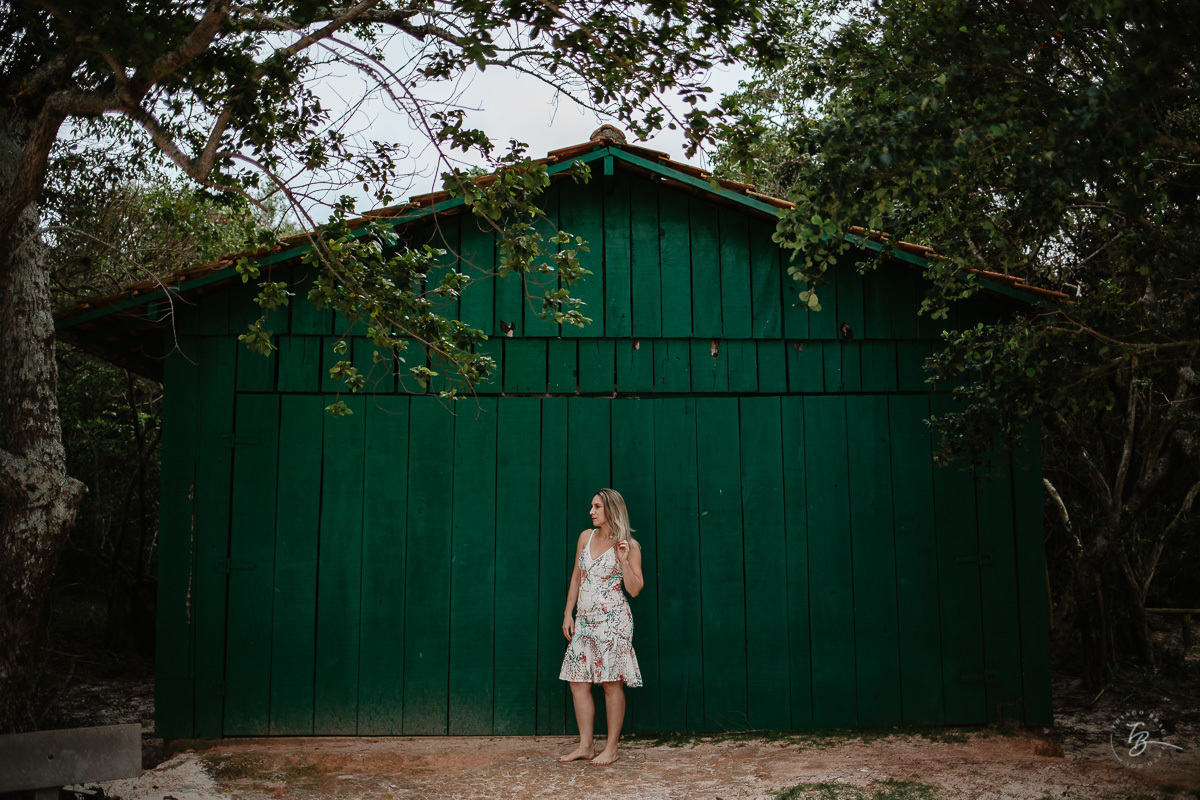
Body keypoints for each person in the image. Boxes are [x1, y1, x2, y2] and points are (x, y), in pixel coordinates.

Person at [556, 488, 644, 766]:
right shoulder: (586, 536)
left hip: (613, 622)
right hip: (584, 621)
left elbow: (635, 589)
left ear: (611, 509)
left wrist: (623, 560)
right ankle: (586, 746)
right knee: (577, 681)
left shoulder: (629, 545)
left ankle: (612, 748)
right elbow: (576, 577)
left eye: (597, 507)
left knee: (610, 682)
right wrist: (568, 613)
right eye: (591, 506)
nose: (591, 511)